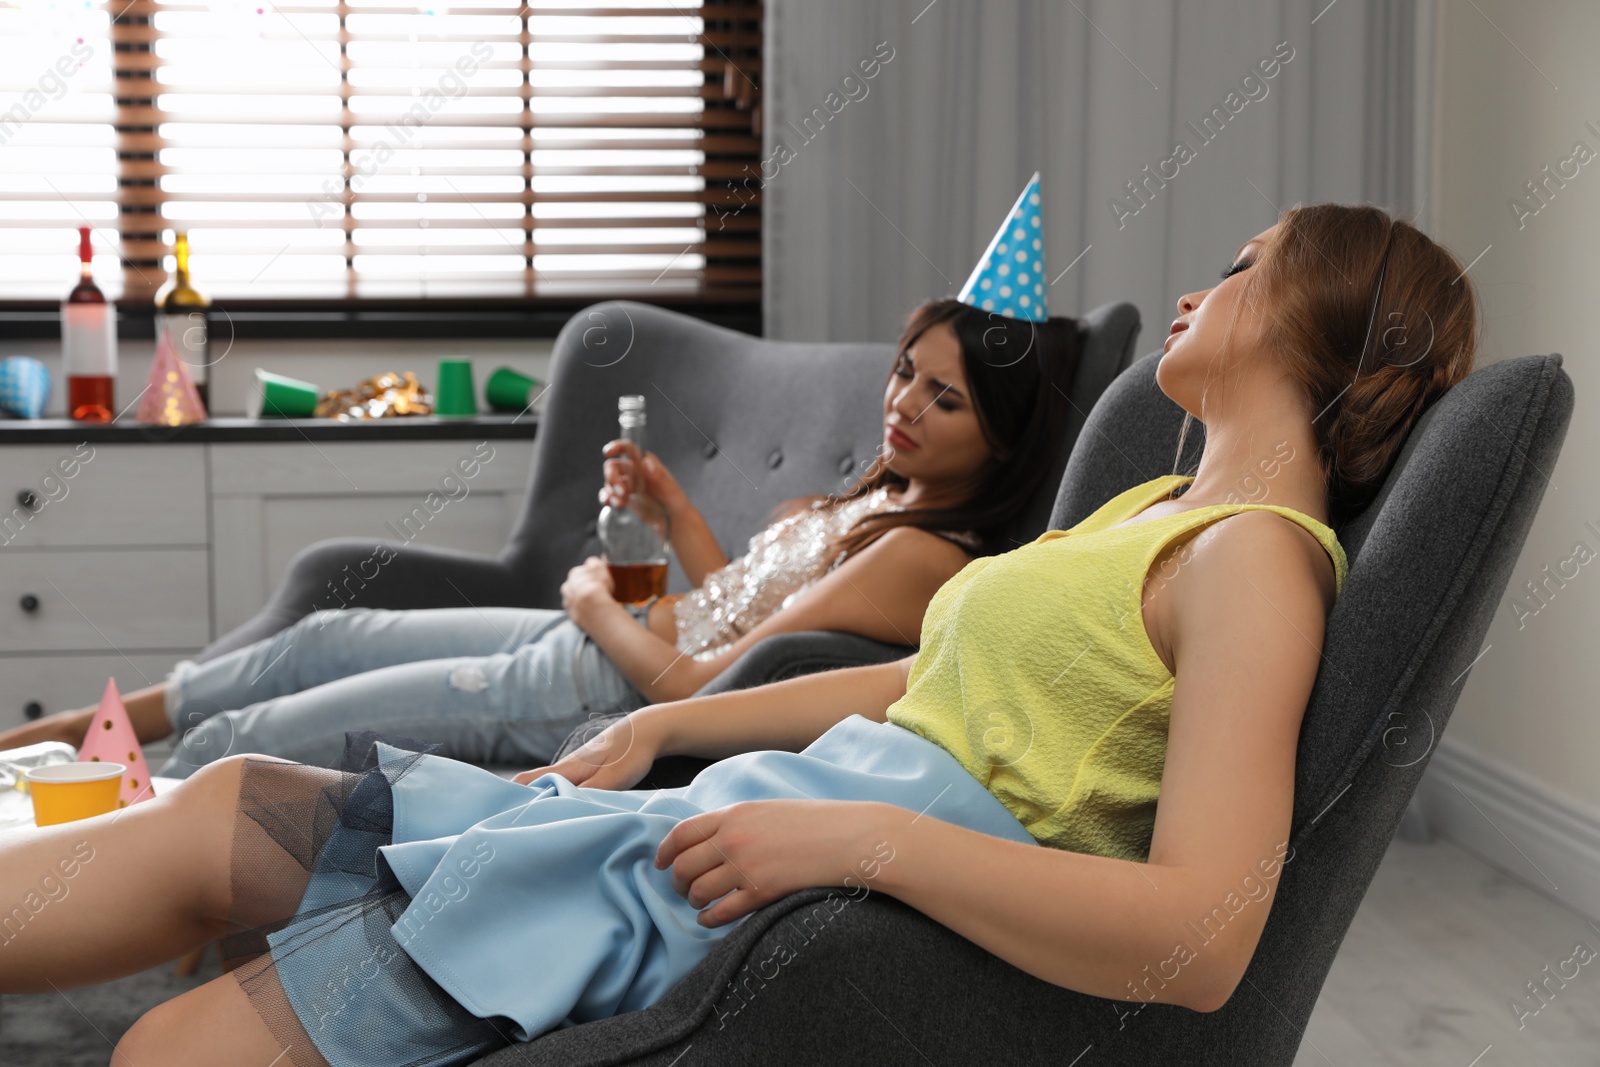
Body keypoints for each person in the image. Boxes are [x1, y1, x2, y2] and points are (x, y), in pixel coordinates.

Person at [0, 204, 1478, 1067]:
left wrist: (853, 845)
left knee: (167, 1050)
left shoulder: (1256, 565)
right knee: (222, 802)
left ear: (1318, 323)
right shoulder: (1151, 508)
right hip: (722, 810)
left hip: (735, 888)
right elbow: (934, 678)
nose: (1200, 284)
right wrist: (665, 721)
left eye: (1242, 263)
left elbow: (1206, 938)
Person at [0, 297, 1084, 778]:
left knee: (270, 727)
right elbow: (753, 609)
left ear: (1002, 438)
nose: (904, 402)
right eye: (908, 370)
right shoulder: (878, 501)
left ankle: (78, 826)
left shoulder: (923, 556)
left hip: (593, 685)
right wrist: (675, 512)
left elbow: (703, 685)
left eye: (946, 400)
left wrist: (593, 604)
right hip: (586, 647)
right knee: (320, 636)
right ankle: (45, 739)